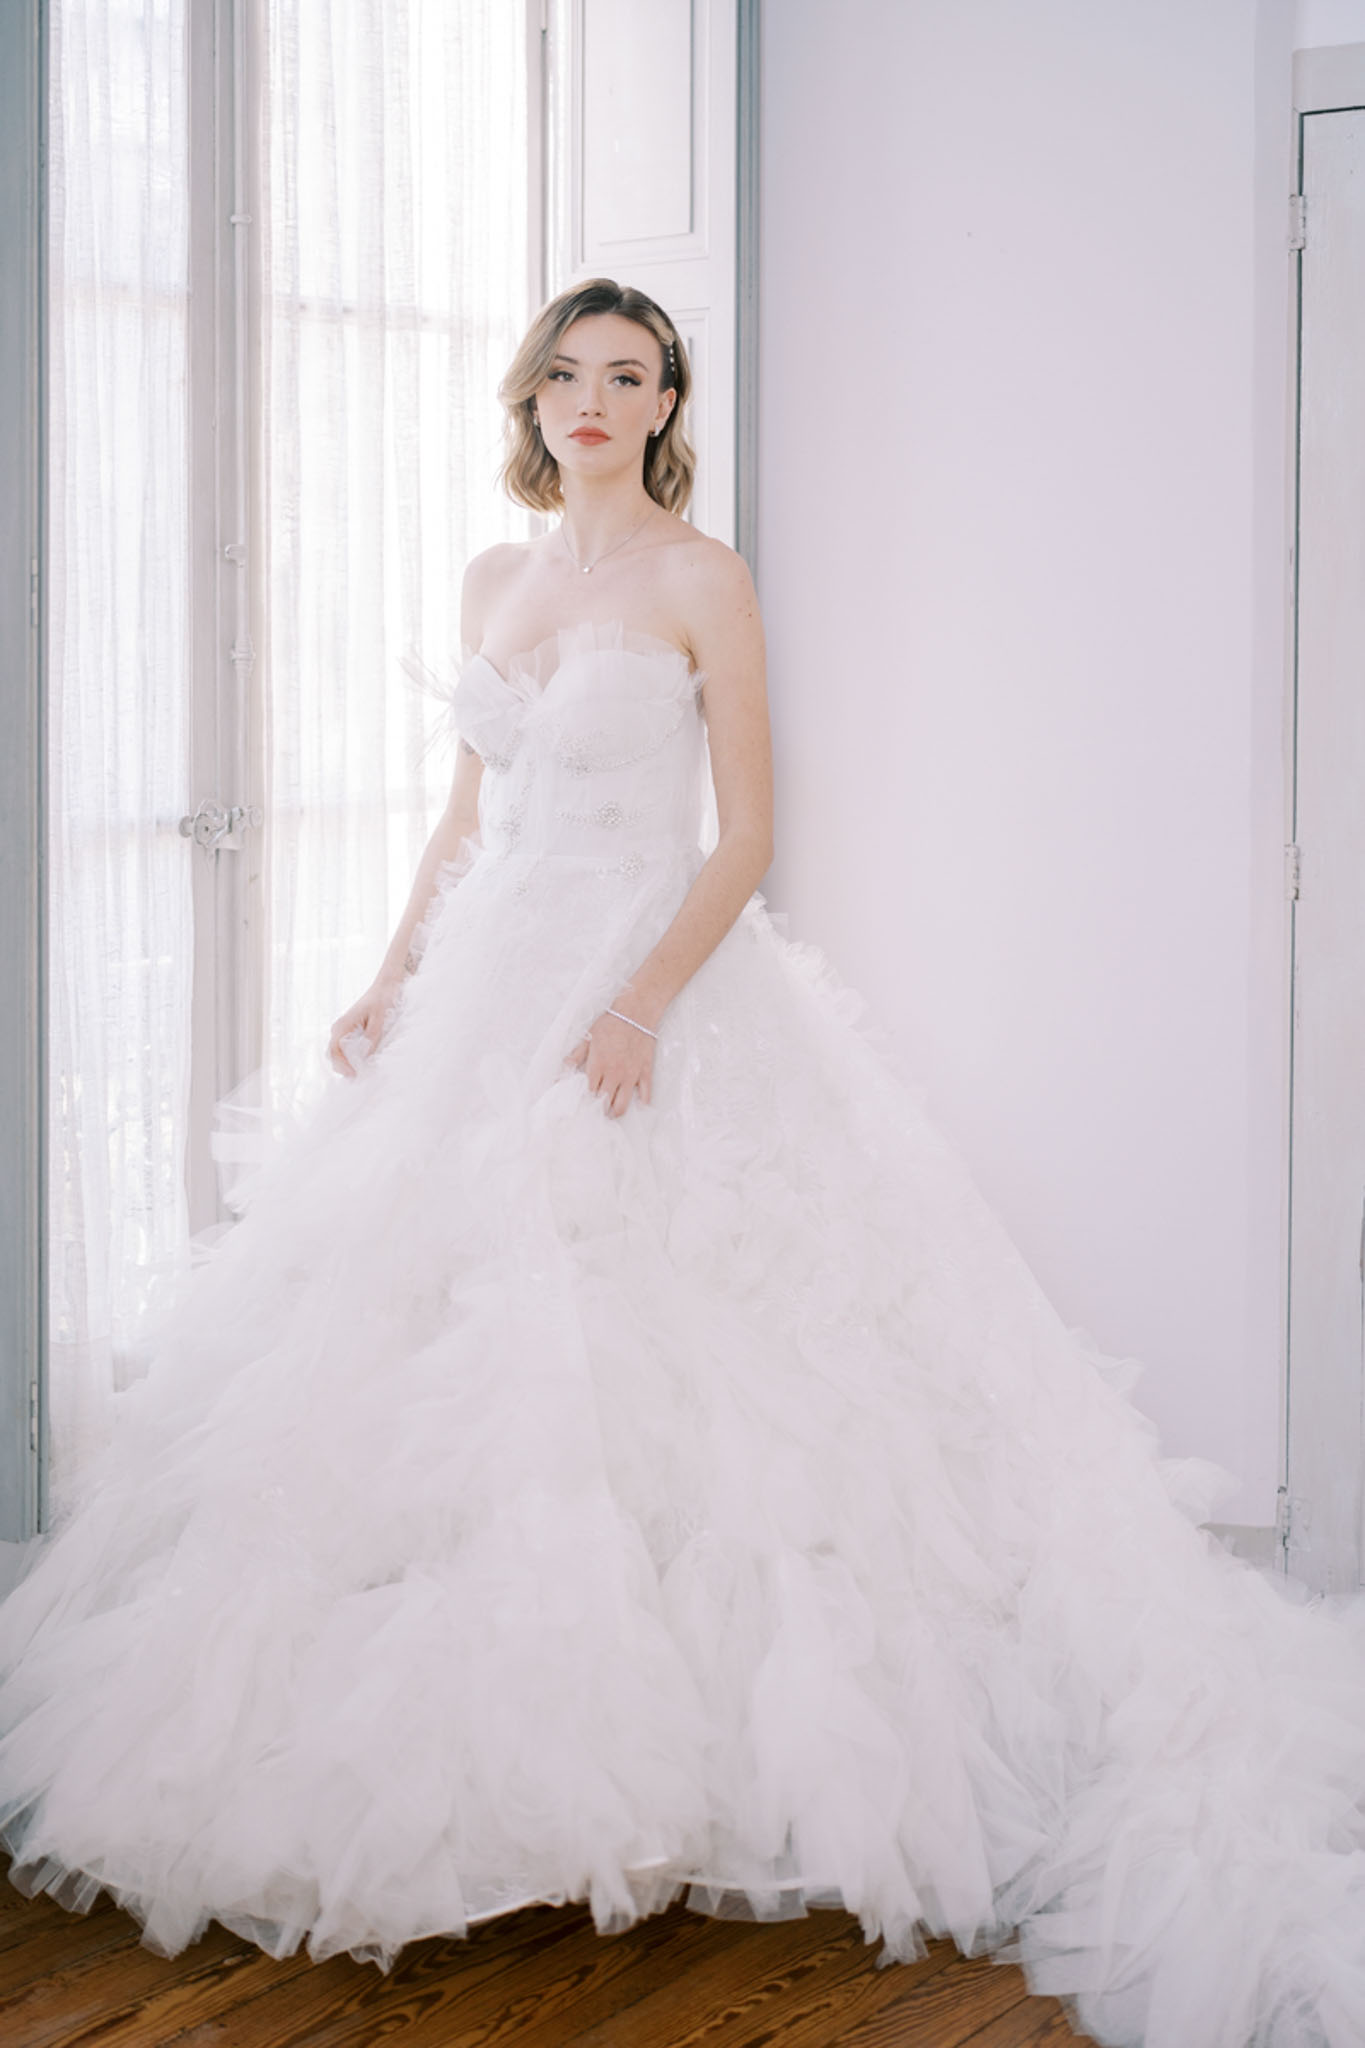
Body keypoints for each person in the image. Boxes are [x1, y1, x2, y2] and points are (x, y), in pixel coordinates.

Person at [3, 276, 1365, 2048]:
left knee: (710, 1370)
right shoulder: (497, 580)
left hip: (653, 991)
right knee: (420, 1361)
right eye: (564, 372)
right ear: (533, 398)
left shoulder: (699, 577)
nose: (590, 399)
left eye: (626, 375)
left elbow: (750, 836)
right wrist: (389, 975)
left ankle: (696, 1763)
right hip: (495, 983)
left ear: (666, 404)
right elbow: (467, 813)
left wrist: (642, 1005)